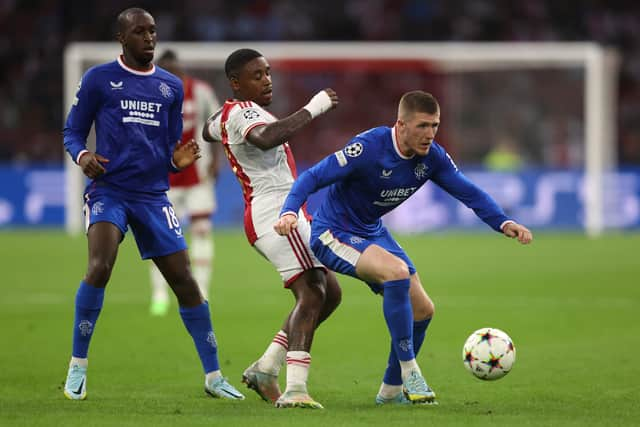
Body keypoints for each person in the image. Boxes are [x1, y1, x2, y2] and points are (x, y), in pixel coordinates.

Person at [274, 90, 533, 405]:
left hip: (371, 231)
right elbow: (314, 177)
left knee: (424, 309)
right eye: (423, 126)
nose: (430, 134)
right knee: (396, 273)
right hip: (333, 231)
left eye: (435, 125)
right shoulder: (368, 147)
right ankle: (411, 370)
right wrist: (289, 210)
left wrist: (503, 222)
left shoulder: (433, 157)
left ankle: (391, 390)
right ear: (401, 125)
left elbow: (468, 191)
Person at [61, 8, 243, 401]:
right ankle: (78, 367)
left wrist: (174, 162)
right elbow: (73, 131)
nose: (149, 38)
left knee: (186, 283)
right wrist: (82, 157)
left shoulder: (170, 87)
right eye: (139, 32)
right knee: (100, 266)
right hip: (109, 190)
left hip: (152, 196)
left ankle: (214, 376)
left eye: (153, 31)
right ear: (122, 39)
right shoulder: (99, 79)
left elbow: (167, 145)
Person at [202, 48, 342, 409]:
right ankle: (295, 390)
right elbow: (264, 138)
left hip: (284, 212)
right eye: (256, 75)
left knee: (332, 292)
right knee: (312, 292)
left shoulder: (232, 113)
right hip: (276, 214)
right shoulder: (245, 113)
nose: (266, 80)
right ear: (236, 82)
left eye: (267, 73)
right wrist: (315, 107)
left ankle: (266, 367)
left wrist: (221, 119)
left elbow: (207, 129)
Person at [149, 50, 222, 316]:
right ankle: (159, 294)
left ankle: (202, 291)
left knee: (202, 230)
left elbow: (217, 124)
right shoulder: (150, 92)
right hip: (163, 178)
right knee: (162, 238)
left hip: (197, 176)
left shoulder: (200, 91)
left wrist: (216, 159)